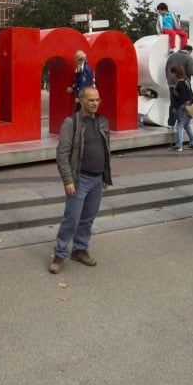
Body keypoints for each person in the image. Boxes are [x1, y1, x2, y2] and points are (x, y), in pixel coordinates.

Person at [50, 85, 113, 273]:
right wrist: (68, 180)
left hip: (97, 178)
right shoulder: (71, 123)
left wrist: (105, 176)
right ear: (81, 101)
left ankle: (79, 250)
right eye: (91, 100)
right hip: (79, 179)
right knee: (72, 219)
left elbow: (105, 150)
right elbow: (62, 154)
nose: (95, 103)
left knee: (88, 219)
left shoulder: (103, 122)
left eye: (97, 100)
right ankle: (59, 255)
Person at [168, 66, 193, 152]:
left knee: (179, 126)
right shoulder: (186, 81)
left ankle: (178, 146)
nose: (171, 75)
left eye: (172, 73)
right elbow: (191, 96)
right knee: (186, 125)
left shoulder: (180, 84)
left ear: (176, 73)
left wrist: (176, 107)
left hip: (183, 108)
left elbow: (183, 98)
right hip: (188, 107)